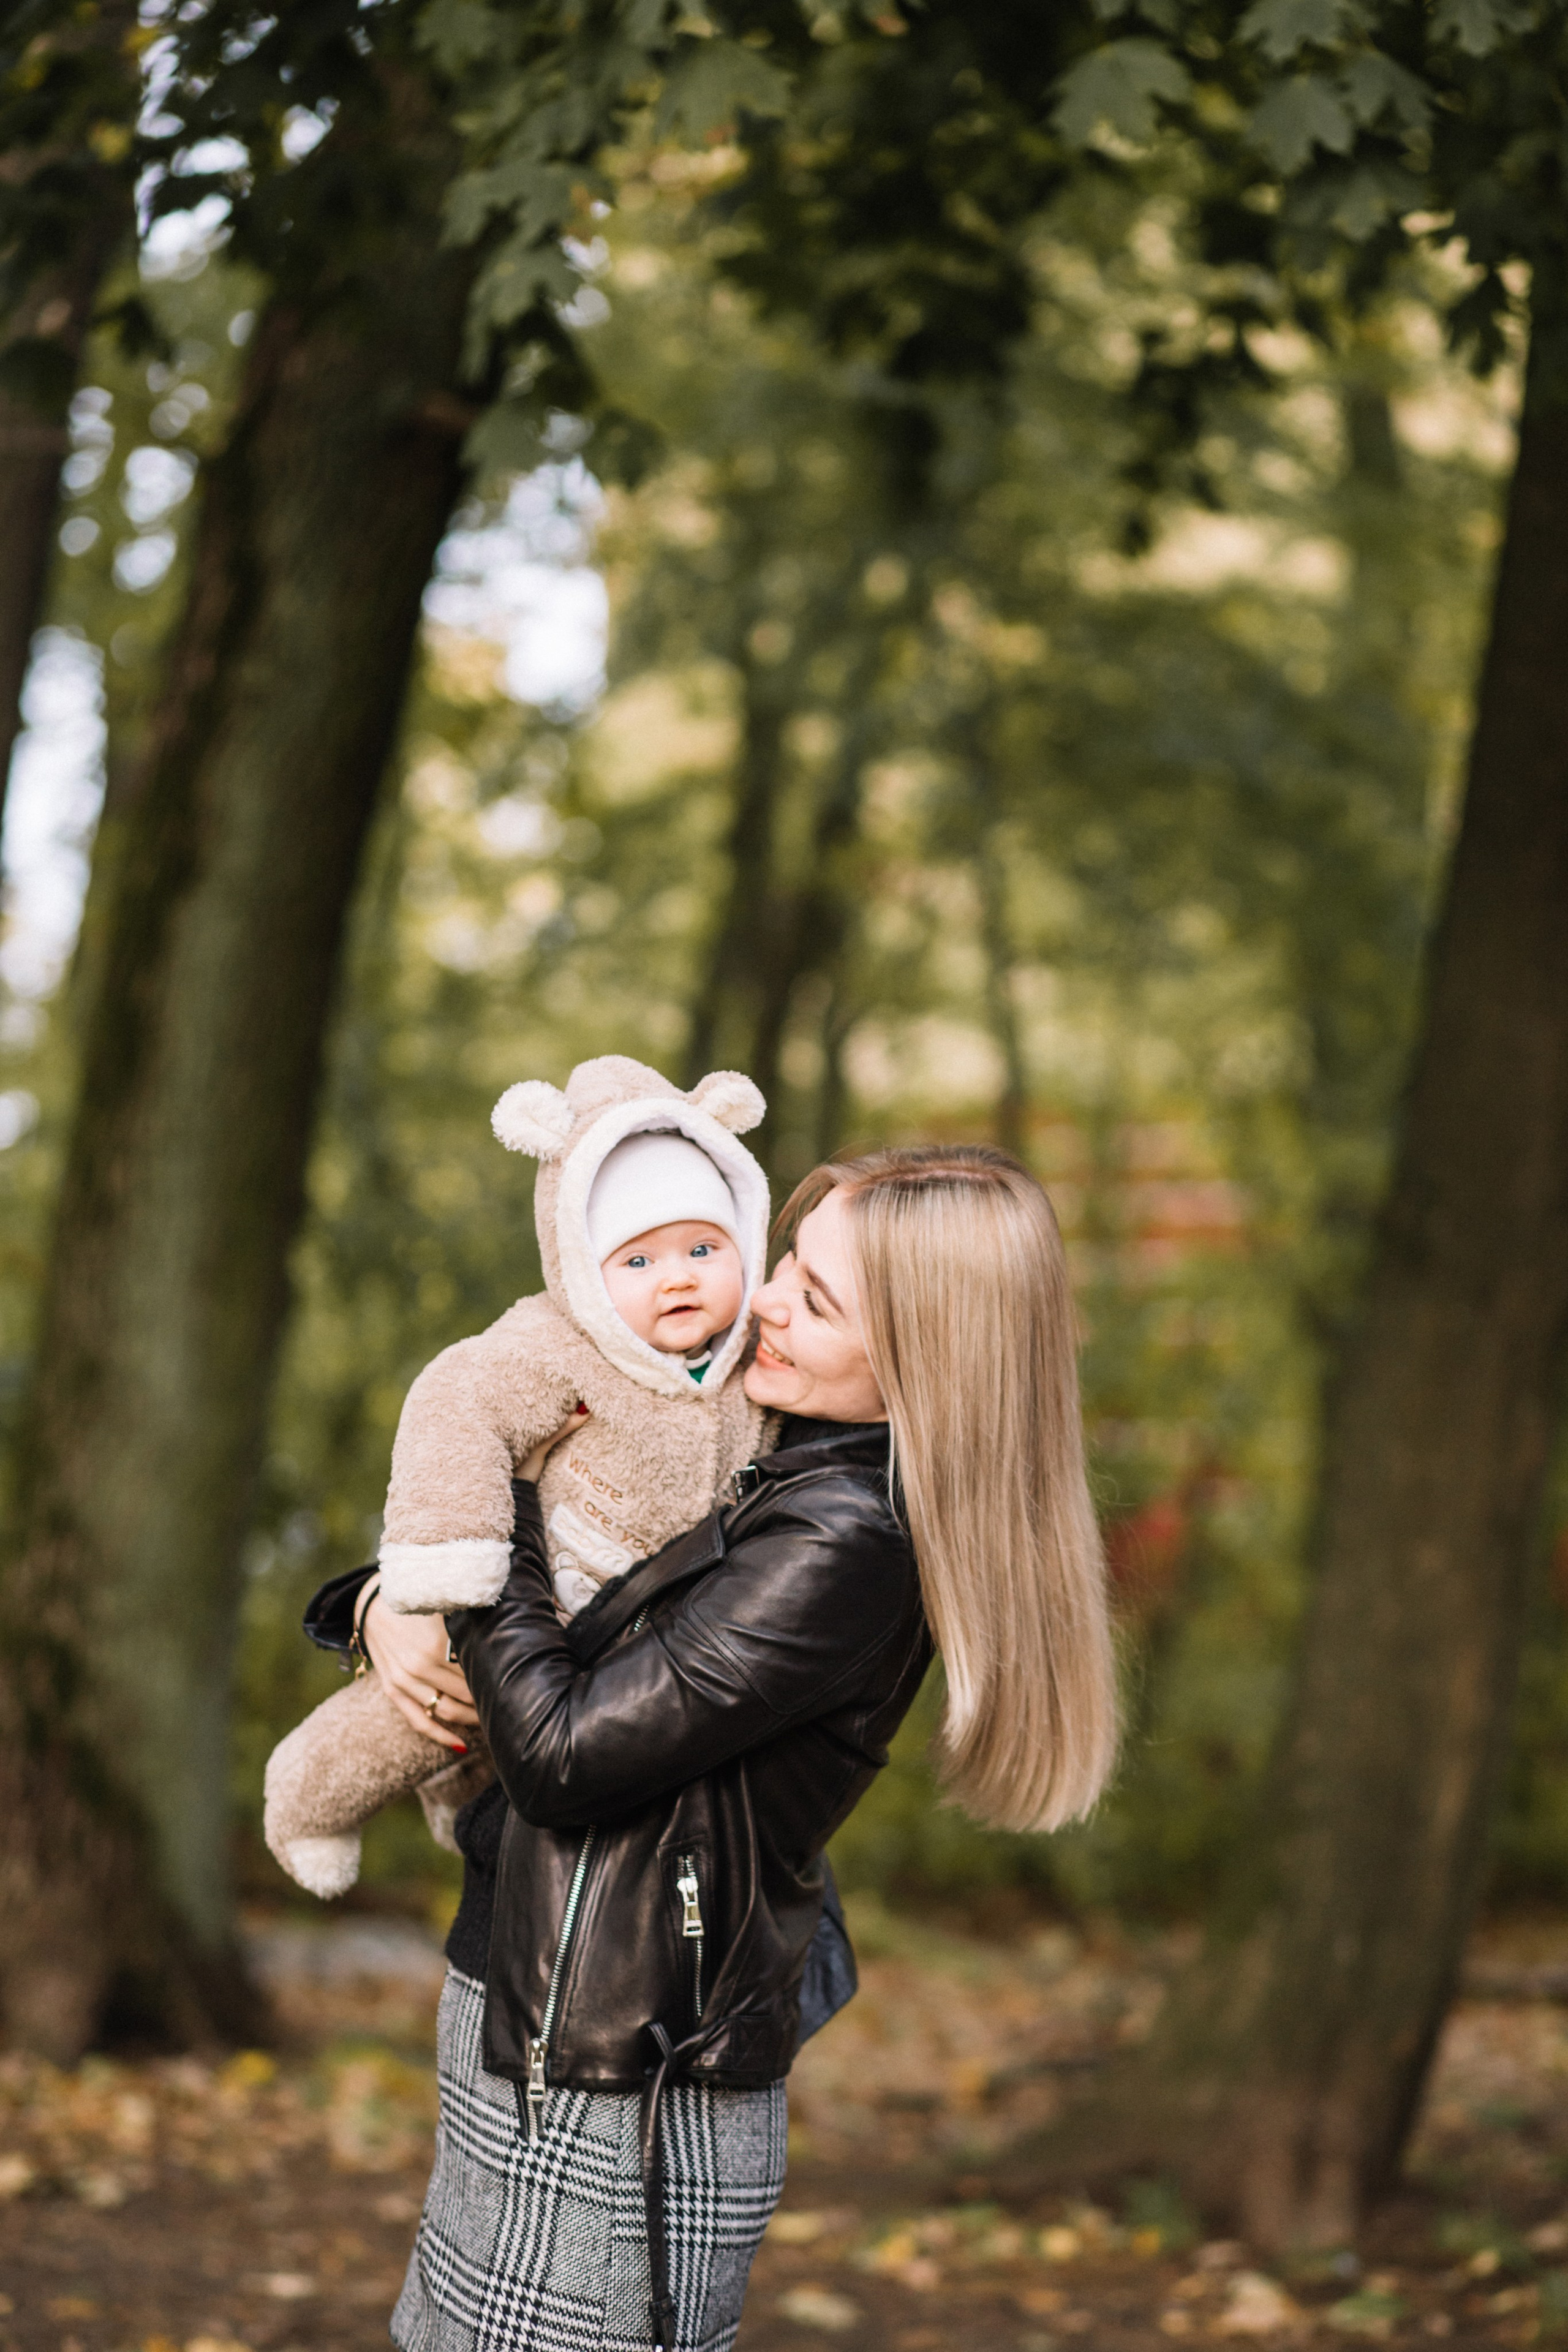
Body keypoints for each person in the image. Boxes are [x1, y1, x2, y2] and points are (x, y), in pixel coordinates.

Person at [315, 1144, 1118, 2352]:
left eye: (820, 1299)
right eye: (787, 1261)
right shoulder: (761, 1444)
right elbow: (581, 1613)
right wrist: (379, 1602)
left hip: (622, 2080)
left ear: (927, 1361)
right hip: (547, 2008)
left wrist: (497, 1495)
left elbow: (563, 1751)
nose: (767, 1299)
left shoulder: (846, 1537)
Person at [266, 1055, 774, 1899]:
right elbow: (459, 1401)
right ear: (583, 1265)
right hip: (534, 1604)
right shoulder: (553, 1346)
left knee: (483, 1753)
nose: (679, 1275)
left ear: (746, 1242)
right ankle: (304, 1803)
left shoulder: (757, 1363)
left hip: (624, 1670)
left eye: (701, 1247)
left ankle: (456, 1798)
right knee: (414, 1718)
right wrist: (437, 1560)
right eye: (638, 1262)